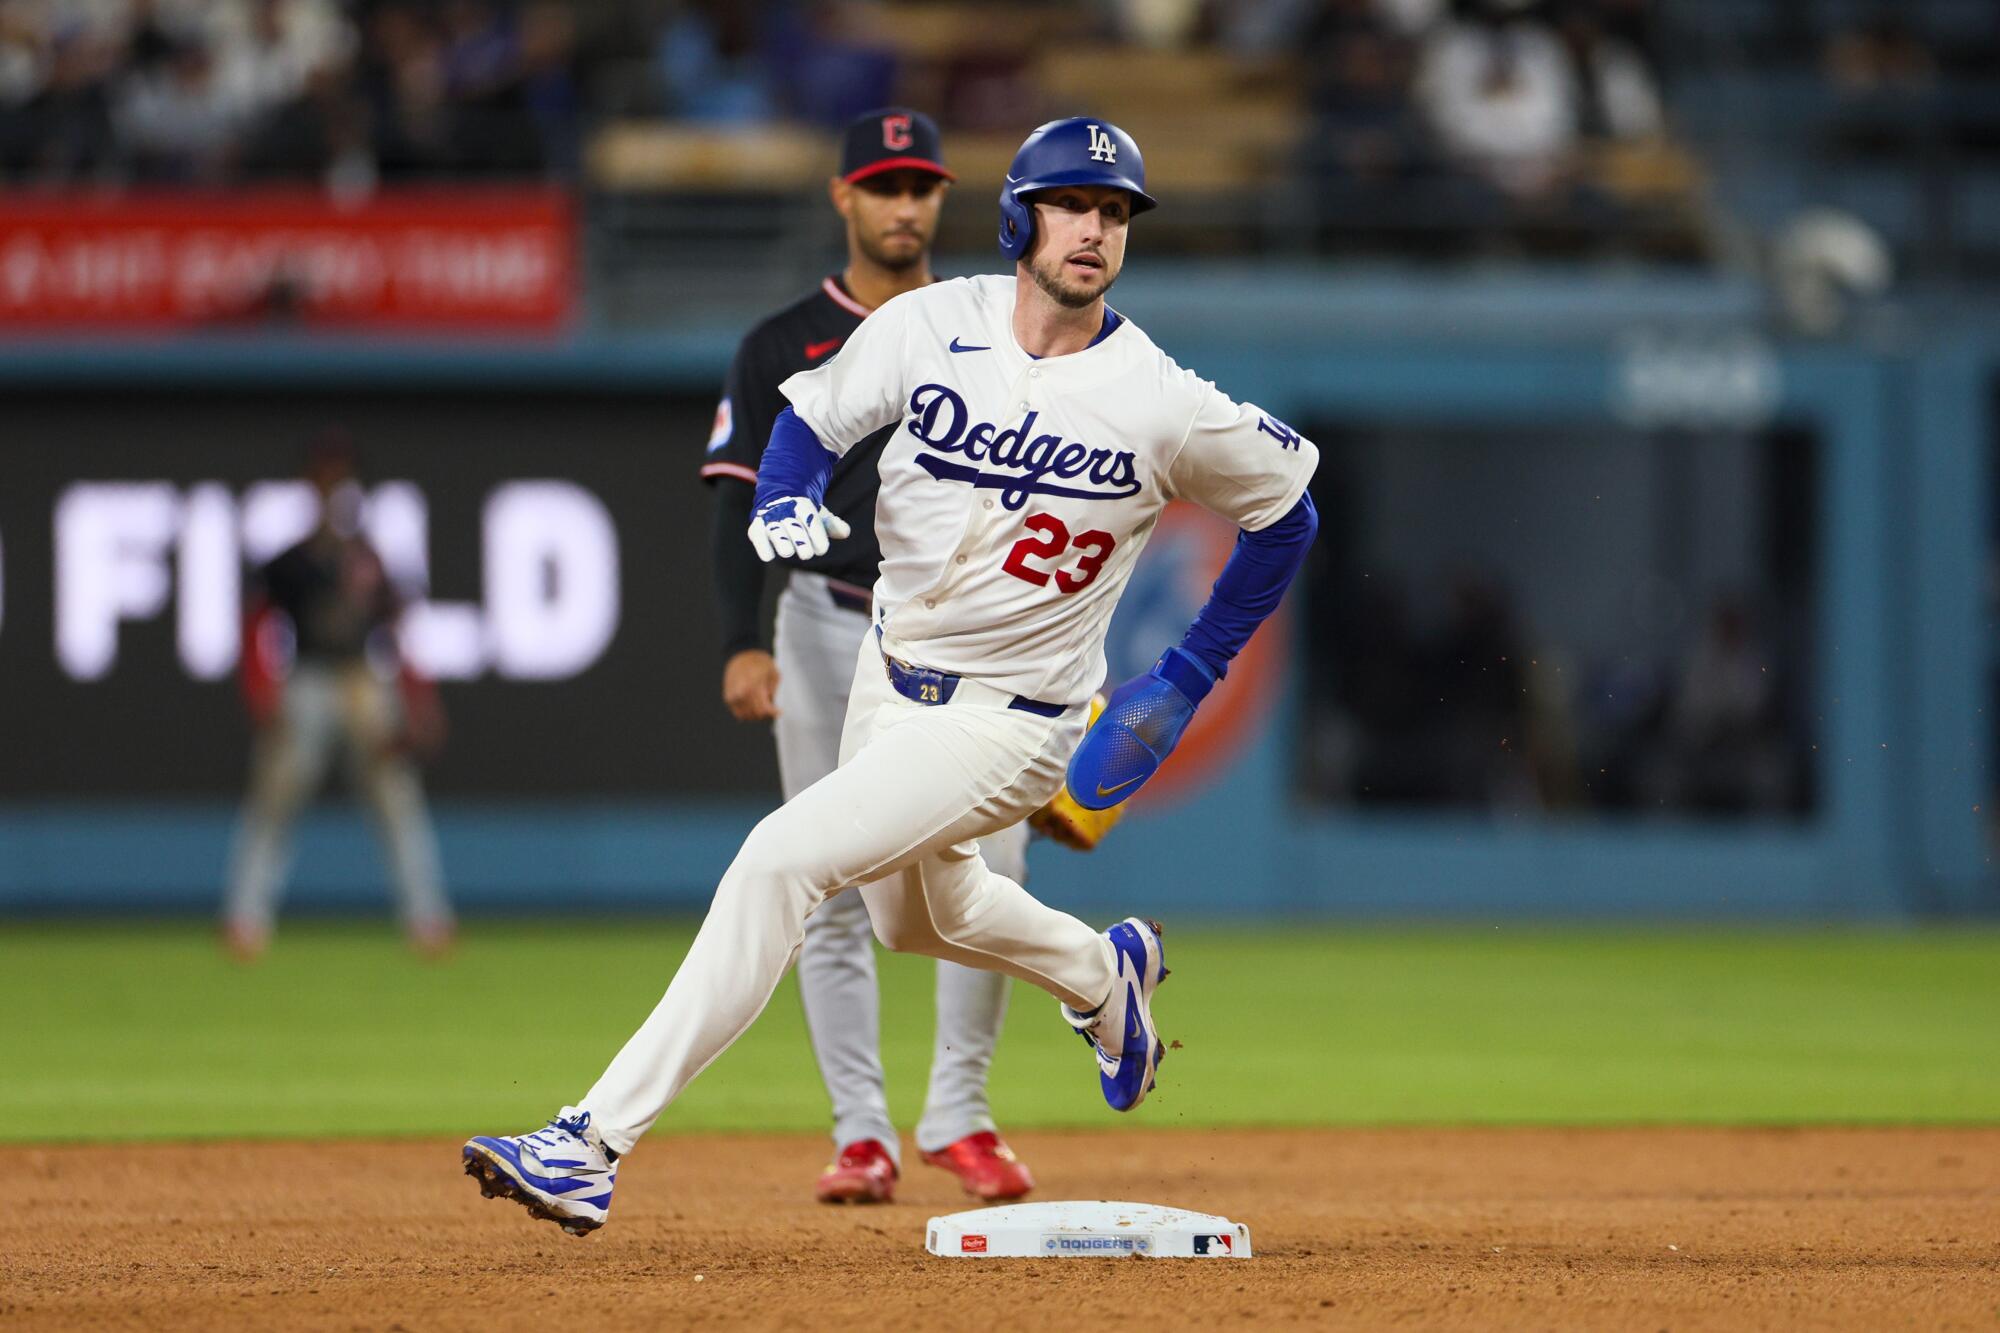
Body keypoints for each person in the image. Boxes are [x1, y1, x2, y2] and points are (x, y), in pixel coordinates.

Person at [463, 116, 1320, 1235]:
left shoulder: (1160, 397)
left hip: (1012, 720)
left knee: (779, 861)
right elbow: (809, 419)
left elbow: (1287, 513)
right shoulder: (928, 322)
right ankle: (1101, 973)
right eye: (1071, 204)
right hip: (886, 674)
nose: (1094, 228)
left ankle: (590, 1141)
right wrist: (784, 493)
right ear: (1017, 220)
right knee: (919, 919)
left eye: (1114, 212)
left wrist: (1187, 673)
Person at [700, 107, 1035, 1205]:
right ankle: (861, 1133)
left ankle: (960, 1113)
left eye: (921, 185)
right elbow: (735, 503)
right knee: (825, 883)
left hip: (969, 637)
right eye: (885, 185)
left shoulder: (991, 324)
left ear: (942, 198)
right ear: (843, 196)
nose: (905, 204)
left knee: (991, 875)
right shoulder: (781, 341)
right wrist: (740, 640)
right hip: (826, 620)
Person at [221, 433, 453, 960]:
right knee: (275, 799)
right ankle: (245, 918)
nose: (333, 489)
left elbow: (397, 631)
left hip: (362, 680)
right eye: (325, 478)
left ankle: (428, 919)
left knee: (396, 800)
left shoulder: (367, 558)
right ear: (310, 487)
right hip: (307, 680)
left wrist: (418, 700)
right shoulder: (290, 562)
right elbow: (255, 626)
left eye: (341, 478)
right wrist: (262, 691)